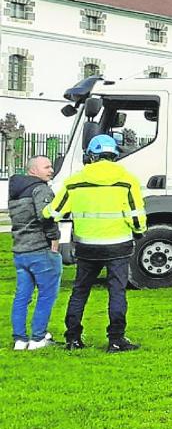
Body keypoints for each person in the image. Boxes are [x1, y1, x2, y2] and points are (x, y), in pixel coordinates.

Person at [43, 135, 145, 352]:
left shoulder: (74, 182)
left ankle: (73, 338)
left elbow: (54, 212)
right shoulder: (127, 180)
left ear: (90, 155)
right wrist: (138, 232)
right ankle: (116, 339)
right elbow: (136, 215)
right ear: (114, 155)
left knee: (80, 291)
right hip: (118, 245)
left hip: (86, 247)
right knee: (117, 291)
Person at [9, 156, 62, 351]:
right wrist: (54, 240)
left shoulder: (15, 191)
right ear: (33, 171)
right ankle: (38, 339)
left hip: (20, 251)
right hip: (40, 250)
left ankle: (20, 340)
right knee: (47, 295)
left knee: (22, 296)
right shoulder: (41, 189)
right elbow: (46, 216)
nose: (51, 170)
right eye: (46, 167)